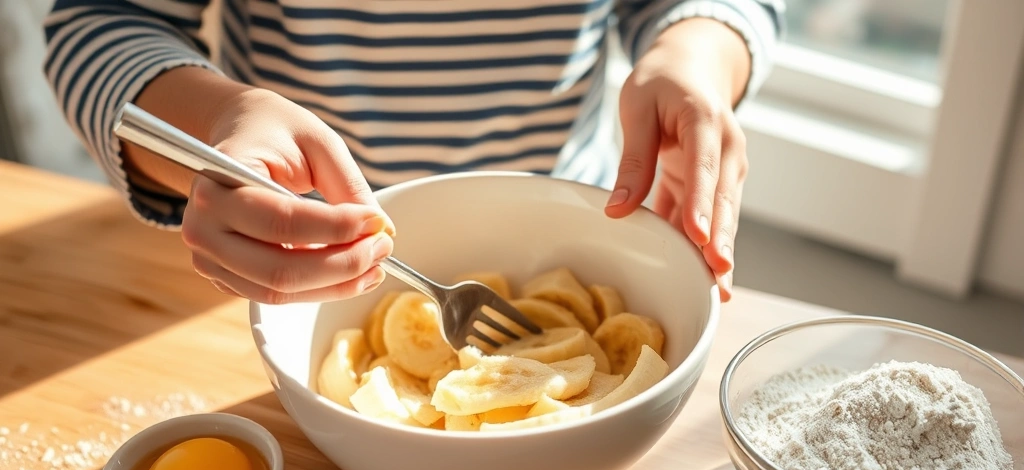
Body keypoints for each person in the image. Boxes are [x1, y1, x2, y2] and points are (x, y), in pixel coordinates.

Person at [43, 0, 783, 304]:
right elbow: (99, 23)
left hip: (581, 228)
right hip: (289, 268)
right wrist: (218, 125)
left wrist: (697, 52)